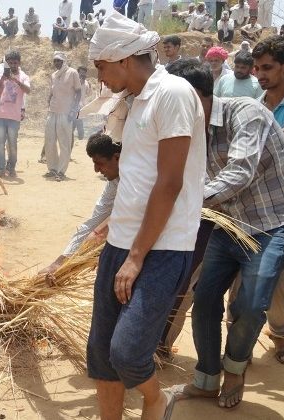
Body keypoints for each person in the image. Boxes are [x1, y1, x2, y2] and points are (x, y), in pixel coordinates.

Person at [87, 11, 206, 419]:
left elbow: (169, 182)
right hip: (122, 241)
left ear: (123, 59)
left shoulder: (172, 93)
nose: (99, 76)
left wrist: (136, 256)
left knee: (128, 351)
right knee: (102, 354)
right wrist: (114, 225)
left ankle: (157, 399)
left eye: (101, 66)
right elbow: (138, 175)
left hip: (161, 247)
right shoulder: (135, 101)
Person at [166, 57, 284, 409]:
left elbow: (240, 172)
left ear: (196, 95)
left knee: (252, 304)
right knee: (205, 299)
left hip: (275, 222)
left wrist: (182, 205)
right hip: (230, 222)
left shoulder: (246, 113)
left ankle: (235, 369)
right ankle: (207, 379)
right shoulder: (190, 131)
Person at [252, 35, 284, 366]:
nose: (260, 74)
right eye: (257, 68)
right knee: (243, 277)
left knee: (282, 277)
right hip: (253, 203)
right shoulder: (255, 106)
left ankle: (280, 334)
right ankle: (238, 340)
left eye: (267, 68)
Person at [40, 133, 120, 275]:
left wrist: (98, 233)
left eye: (100, 163)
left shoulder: (138, 177)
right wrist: (59, 263)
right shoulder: (114, 181)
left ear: (116, 157)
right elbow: (93, 223)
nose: (96, 170)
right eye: (94, 163)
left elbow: (126, 212)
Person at [0, 51, 30, 179]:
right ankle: (1, 169)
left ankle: (12, 167)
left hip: (14, 117)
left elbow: (28, 90)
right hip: (0, 115)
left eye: (15, 63)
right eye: (10, 63)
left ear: (19, 63)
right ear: (7, 64)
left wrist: (16, 81)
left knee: (12, 144)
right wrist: (3, 79)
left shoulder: (23, 76)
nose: (13, 65)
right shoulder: (1, 75)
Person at [44, 52, 81, 182]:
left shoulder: (72, 73)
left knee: (64, 143)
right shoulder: (54, 75)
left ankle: (61, 171)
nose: (56, 63)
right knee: (49, 141)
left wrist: (74, 110)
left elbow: (78, 92)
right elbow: (52, 92)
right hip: (52, 111)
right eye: (55, 60)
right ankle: (52, 168)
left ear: (64, 61)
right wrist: (48, 103)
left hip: (66, 113)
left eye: (59, 60)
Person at [74, 66, 94, 141]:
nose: (82, 74)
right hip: (72, 106)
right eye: (81, 73)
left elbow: (89, 94)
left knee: (79, 123)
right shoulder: (73, 81)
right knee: (74, 123)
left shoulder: (87, 83)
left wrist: (90, 87)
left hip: (81, 107)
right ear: (78, 73)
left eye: (84, 73)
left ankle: (80, 138)